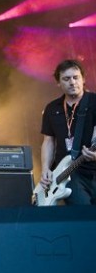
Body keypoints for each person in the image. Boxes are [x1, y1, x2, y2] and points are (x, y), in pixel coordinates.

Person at [39, 59, 96, 205]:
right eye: (66, 79)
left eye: (76, 77)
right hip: (70, 174)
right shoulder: (52, 109)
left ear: (83, 79)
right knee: (82, 216)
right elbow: (48, 140)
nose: (72, 82)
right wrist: (45, 168)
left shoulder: (94, 102)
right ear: (58, 83)